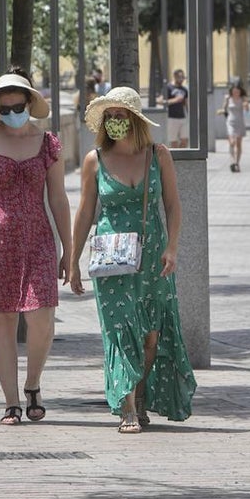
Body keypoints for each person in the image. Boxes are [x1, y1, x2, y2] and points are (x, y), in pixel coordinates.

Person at [69, 86, 197, 434]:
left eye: (119, 116)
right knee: (120, 329)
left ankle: (140, 396)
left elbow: (172, 205)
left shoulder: (158, 155)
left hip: (154, 255)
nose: (113, 123)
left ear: (134, 120)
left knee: (151, 335)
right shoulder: (94, 159)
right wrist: (72, 259)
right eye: (108, 117)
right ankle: (126, 405)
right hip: (111, 257)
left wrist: (172, 247)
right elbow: (84, 214)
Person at [0, 69, 74, 425]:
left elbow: (60, 199)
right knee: (1, 322)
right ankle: (10, 401)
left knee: (42, 316)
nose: (11, 113)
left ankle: (33, 382)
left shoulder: (49, 144)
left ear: (30, 104)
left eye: (17, 106)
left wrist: (68, 250)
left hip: (37, 239)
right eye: (4, 109)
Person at [220, 81, 250, 172]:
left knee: (238, 144)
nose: (236, 93)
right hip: (230, 122)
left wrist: (246, 106)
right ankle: (232, 161)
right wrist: (223, 107)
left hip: (240, 122)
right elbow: (224, 109)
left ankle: (237, 163)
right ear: (232, 91)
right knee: (232, 142)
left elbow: (247, 111)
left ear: (240, 91)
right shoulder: (228, 98)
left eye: (238, 91)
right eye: (234, 91)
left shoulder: (243, 98)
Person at [163, 69, 189, 148]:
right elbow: (160, 100)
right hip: (172, 118)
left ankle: (182, 157)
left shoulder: (184, 89)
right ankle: (175, 159)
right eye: (180, 77)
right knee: (173, 142)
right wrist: (175, 100)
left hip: (183, 118)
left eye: (183, 77)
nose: (181, 79)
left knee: (185, 140)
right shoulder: (168, 87)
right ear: (175, 77)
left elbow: (186, 103)